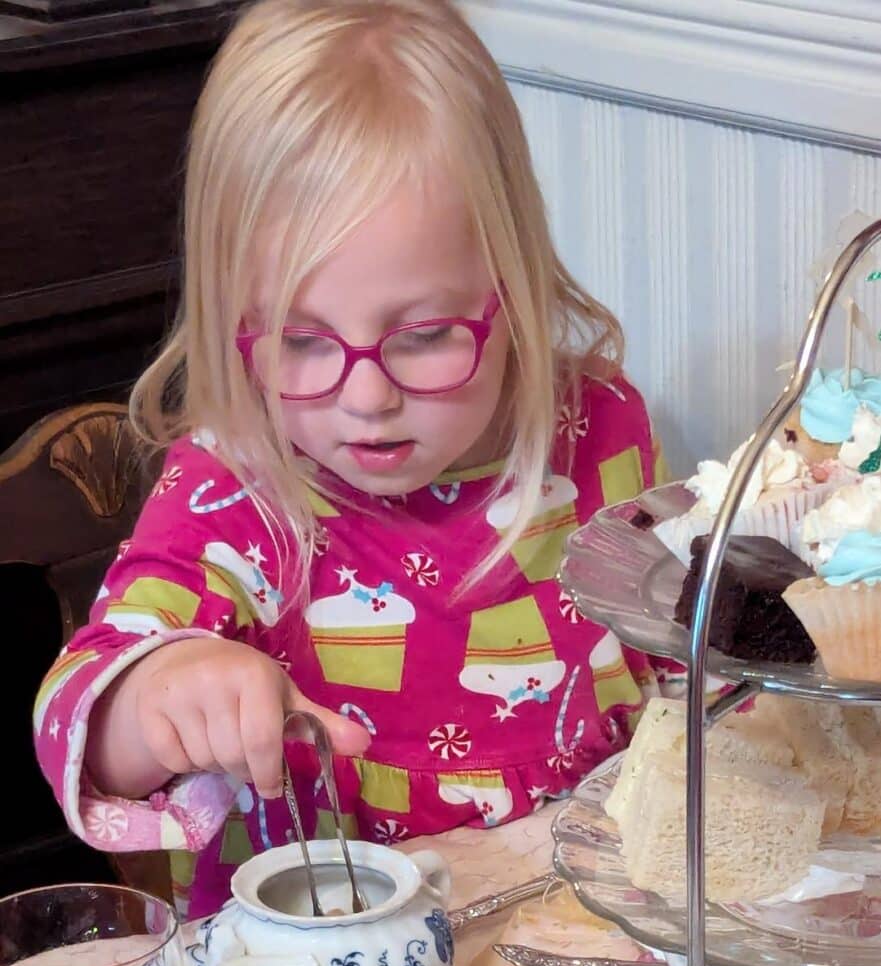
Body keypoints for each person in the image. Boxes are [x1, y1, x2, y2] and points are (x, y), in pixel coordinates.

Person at [34, 0, 670, 919]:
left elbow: (673, 659)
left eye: (424, 335)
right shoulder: (233, 484)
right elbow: (77, 713)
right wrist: (158, 693)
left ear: (514, 284)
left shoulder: (602, 424)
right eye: (299, 341)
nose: (365, 396)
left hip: (578, 920)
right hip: (316, 965)